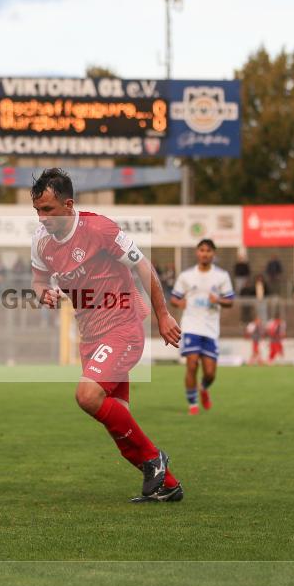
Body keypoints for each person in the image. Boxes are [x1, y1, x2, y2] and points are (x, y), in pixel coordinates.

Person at [29, 168, 184, 503]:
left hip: (123, 326)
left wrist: (163, 314)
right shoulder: (40, 243)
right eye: (38, 211)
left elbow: (143, 266)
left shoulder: (99, 228)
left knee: (87, 396)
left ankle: (155, 460)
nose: (43, 218)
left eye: (49, 210)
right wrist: (45, 293)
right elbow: (39, 282)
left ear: (69, 205)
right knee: (119, 425)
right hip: (91, 337)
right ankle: (167, 484)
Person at [170, 239, 235, 415]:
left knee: (210, 373)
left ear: (213, 253)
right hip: (191, 325)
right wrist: (180, 302)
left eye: (208, 250)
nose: (205, 253)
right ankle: (193, 405)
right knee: (191, 364)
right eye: (202, 250)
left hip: (210, 328)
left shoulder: (221, 276)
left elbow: (230, 301)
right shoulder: (186, 276)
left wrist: (219, 300)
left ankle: (203, 387)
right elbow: (174, 297)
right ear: (197, 253)